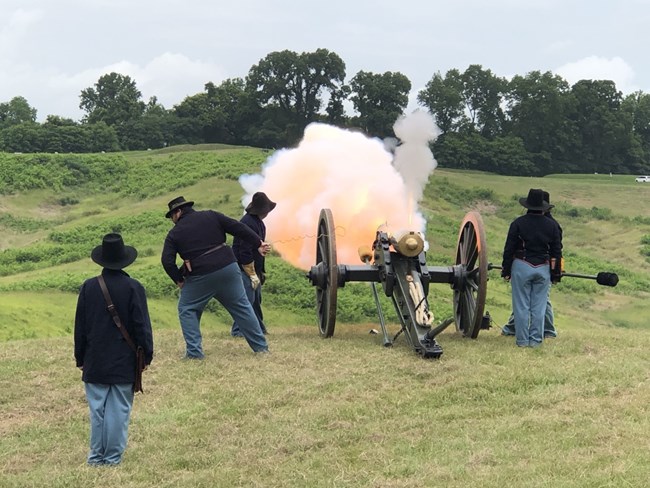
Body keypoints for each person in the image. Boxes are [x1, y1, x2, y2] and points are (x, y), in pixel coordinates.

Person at [74, 233, 154, 466]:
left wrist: (80, 357)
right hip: (124, 360)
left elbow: (80, 327)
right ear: (125, 260)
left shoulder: (88, 287)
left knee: (97, 410)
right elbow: (142, 327)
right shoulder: (133, 287)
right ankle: (112, 458)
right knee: (119, 410)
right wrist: (146, 356)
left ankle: (95, 456)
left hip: (95, 360)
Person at [161, 196, 271, 358]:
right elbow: (238, 227)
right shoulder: (211, 215)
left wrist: (179, 279)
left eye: (172, 216)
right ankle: (261, 348)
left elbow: (167, 261)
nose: (172, 220)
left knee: (187, 309)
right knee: (242, 307)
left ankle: (194, 353)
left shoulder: (174, 233)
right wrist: (258, 243)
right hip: (228, 268)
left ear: (178, 212)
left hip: (200, 275)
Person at [501, 189, 562, 347]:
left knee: (521, 306)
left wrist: (506, 271)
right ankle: (535, 341)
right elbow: (556, 251)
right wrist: (556, 274)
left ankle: (522, 340)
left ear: (527, 205)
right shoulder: (552, 225)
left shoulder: (518, 223)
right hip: (543, 267)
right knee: (539, 307)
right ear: (543, 207)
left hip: (522, 265)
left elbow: (509, 249)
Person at [231, 192, 276, 337]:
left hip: (254, 268)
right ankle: (238, 331)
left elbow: (256, 247)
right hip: (244, 268)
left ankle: (259, 328)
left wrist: (259, 271)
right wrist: (250, 273)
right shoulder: (247, 223)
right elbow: (244, 251)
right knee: (247, 300)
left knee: (256, 300)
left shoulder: (258, 224)